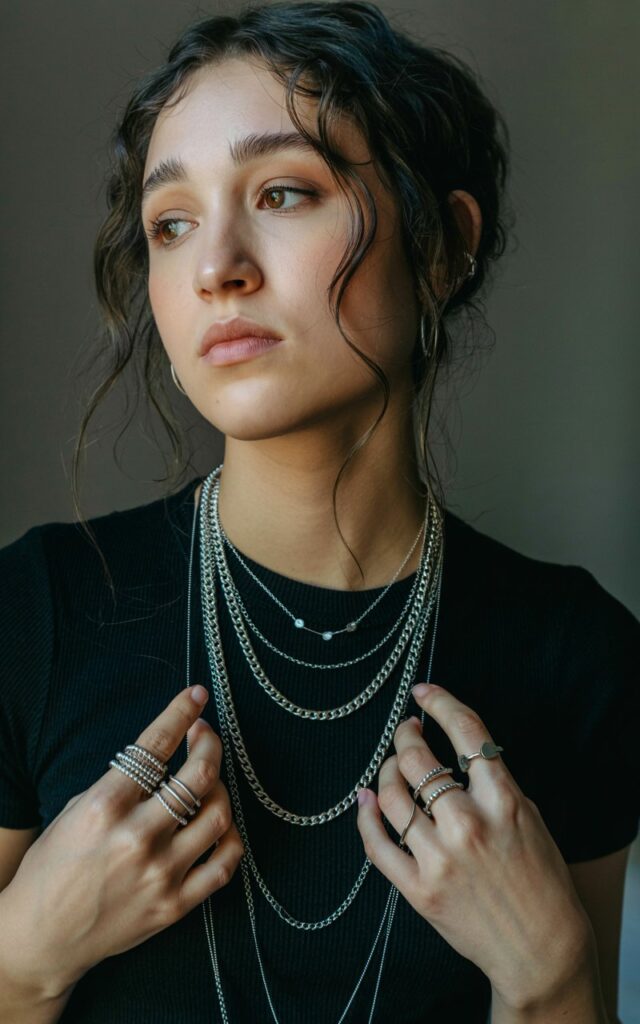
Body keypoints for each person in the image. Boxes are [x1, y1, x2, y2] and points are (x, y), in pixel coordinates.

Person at [0, 2, 637, 1021]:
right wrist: (23, 959)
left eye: (285, 192)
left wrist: (550, 975)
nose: (216, 268)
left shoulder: (579, 655)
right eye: (172, 223)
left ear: (444, 248)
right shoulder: (31, 612)